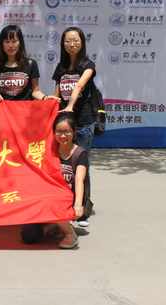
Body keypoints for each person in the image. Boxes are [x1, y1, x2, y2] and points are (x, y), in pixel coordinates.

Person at [20, 113, 87, 250]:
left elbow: (79, 180)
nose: (62, 136)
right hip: (49, 197)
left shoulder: (80, 153)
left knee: (53, 202)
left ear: (74, 132)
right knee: (28, 235)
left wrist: (78, 205)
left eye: (67, 132)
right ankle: (54, 225)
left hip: (70, 199)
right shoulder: (48, 151)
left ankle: (70, 234)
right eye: (59, 132)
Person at [52, 26, 96, 227]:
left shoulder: (88, 65)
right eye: (68, 41)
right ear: (63, 44)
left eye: (76, 40)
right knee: (64, 165)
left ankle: (83, 209)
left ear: (82, 43)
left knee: (81, 165)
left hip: (83, 121)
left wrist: (70, 105)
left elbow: (79, 85)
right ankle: (64, 204)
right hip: (65, 124)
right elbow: (57, 94)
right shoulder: (61, 67)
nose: (72, 44)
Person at [0, 24, 58, 103]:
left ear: (20, 43)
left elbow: (35, 91)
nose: (10, 45)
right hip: (4, 109)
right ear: (2, 44)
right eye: (7, 42)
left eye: (14, 41)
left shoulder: (31, 64)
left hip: (25, 108)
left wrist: (45, 98)